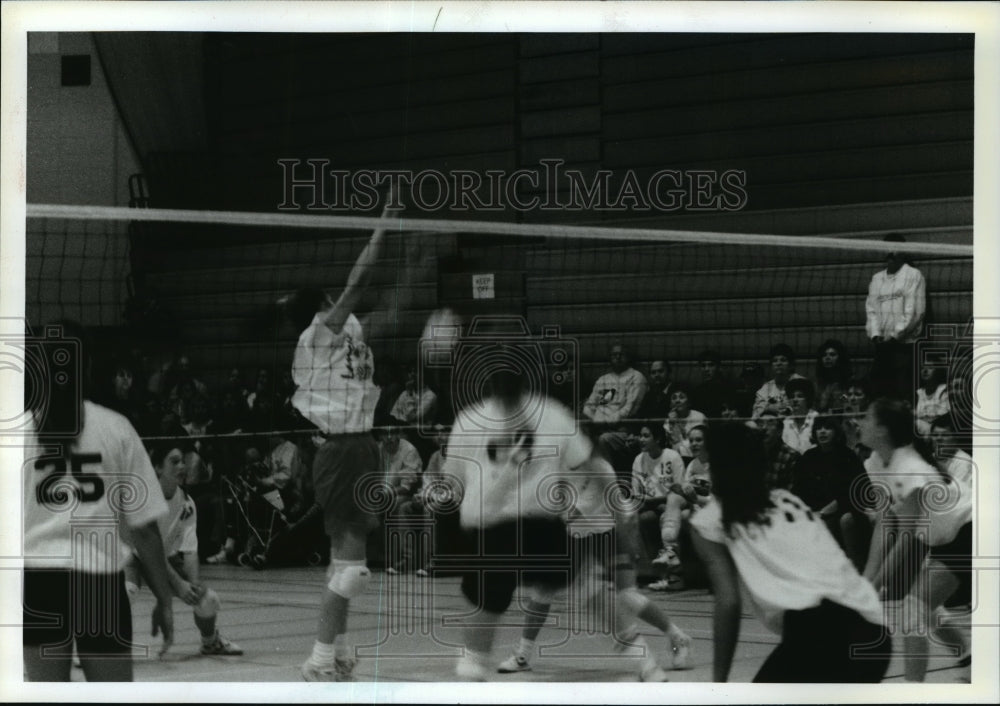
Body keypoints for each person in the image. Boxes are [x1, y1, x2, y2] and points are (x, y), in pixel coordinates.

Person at [286, 192, 402, 682]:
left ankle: (338, 652)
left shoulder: (348, 336)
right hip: (341, 450)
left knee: (345, 564)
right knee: (352, 570)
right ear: (322, 309)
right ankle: (317, 659)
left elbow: (380, 309)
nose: (341, 302)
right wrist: (383, 225)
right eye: (332, 301)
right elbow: (359, 283)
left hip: (362, 445)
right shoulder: (318, 333)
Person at [22, 321, 175, 681]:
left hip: (39, 584)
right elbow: (145, 529)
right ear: (87, 367)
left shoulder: (16, 434)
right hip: (98, 584)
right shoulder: (115, 427)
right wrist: (165, 600)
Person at [691, 423, 890, 683]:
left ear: (715, 467)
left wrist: (718, 684)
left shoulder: (710, 519)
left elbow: (728, 602)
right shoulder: (790, 500)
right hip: (874, 633)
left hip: (818, 635)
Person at [444, 351, 596, 682]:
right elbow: (586, 464)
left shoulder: (469, 418)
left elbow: (452, 482)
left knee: (484, 616)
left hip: (493, 529)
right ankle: (640, 650)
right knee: (584, 587)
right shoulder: (553, 413)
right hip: (536, 531)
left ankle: (477, 663)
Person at [496, 456, 692, 681]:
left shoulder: (599, 466)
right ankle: (523, 654)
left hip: (607, 536)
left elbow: (574, 512)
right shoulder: (556, 462)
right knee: (543, 591)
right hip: (576, 536)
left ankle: (677, 637)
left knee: (627, 597)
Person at [859, 399, 972, 680]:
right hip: (943, 538)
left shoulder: (910, 468)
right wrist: (867, 581)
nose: (859, 422)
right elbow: (885, 524)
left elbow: (905, 537)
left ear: (883, 431)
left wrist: (874, 587)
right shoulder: (874, 462)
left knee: (912, 612)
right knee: (925, 608)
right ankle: (970, 658)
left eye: (867, 418)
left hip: (971, 530)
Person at [125, 443, 242, 656]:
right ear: (158, 468)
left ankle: (210, 642)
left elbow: (190, 550)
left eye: (183, 461)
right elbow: (148, 550)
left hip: (164, 560)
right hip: (130, 556)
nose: (182, 466)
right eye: (174, 461)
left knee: (207, 600)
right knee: (126, 592)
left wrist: (194, 587)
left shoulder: (187, 503)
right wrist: (178, 585)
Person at [789, 415, 872, 548]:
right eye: (819, 428)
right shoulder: (808, 457)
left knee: (823, 526)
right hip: (813, 509)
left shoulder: (847, 456)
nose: (822, 431)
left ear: (836, 431)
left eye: (828, 428)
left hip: (840, 510)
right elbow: (798, 488)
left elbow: (857, 490)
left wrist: (824, 511)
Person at [866, 234, 926, 399]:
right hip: (882, 347)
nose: (891, 253)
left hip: (904, 347)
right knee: (881, 393)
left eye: (895, 249)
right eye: (887, 249)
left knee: (903, 393)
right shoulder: (877, 279)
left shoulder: (913, 275)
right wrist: (876, 334)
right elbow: (871, 309)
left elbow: (914, 312)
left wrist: (894, 336)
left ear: (904, 252)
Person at [582, 344, 648, 482]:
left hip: (624, 431)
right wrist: (592, 420)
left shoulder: (636, 377)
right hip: (599, 427)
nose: (617, 357)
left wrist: (605, 422)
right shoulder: (603, 379)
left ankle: (609, 482)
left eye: (621, 354)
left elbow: (630, 409)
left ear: (628, 357)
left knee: (604, 440)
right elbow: (590, 405)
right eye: (614, 355)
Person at [630, 424, 685, 588]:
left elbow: (679, 491)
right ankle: (660, 574)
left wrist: (657, 501)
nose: (641, 439)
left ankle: (676, 577)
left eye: (646, 436)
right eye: (640, 435)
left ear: (658, 439)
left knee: (665, 517)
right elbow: (636, 494)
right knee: (643, 519)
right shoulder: (638, 460)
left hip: (673, 505)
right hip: (650, 505)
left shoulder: (673, 457)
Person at [751, 344, 805, 419]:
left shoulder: (802, 383)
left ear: (790, 364)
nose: (778, 363)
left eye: (783, 360)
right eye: (775, 361)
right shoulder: (765, 389)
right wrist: (769, 408)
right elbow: (755, 415)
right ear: (771, 366)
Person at [664, 383, 706, 461]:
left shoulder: (699, 417)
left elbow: (699, 444)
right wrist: (673, 424)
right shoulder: (668, 421)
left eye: (682, 397)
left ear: (689, 401)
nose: (677, 401)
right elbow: (672, 446)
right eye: (674, 398)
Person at [779, 378, 818, 454]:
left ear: (808, 398)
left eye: (800, 396)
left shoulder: (817, 419)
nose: (795, 400)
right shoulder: (785, 422)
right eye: (792, 397)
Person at [813, 339, 852, 412]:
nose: (827, 358)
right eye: (824, 355)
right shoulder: (816, 385)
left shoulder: (850, 383)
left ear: (841, 358)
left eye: (832, 354)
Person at [691, 350, 730, 419]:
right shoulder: (697, 391)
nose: (706, 369)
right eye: (703, 365)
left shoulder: (728, 388)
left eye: (711, 365)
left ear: (719, 367)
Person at [914, 362, 950, 436]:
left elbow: (946, 416)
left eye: (930, 367)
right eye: (922, 368)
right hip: (923, 434)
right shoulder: (919, 393)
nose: (925, 370)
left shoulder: (944, 389)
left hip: (941, 432)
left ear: (938, 371)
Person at [634, 358, 673, 423]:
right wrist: (644, 426)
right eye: (653, 372)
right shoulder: (649, 394)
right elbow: (640, 415)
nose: (657, 375)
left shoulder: (679, 390)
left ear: (669, 372)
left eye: (660, 371)